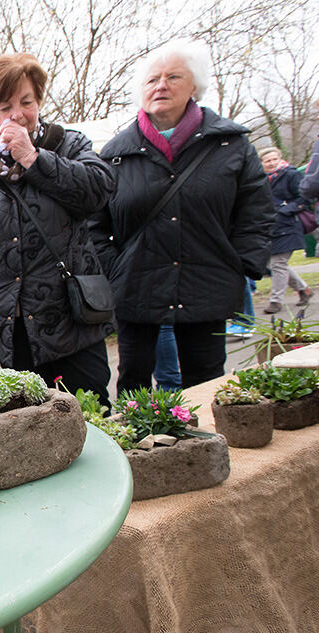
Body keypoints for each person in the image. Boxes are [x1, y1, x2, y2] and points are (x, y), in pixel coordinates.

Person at [90, 40, 272, 393]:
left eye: (173, 76)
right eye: (152, 79)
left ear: (194, 86)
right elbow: (93, 225)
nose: (161, 85)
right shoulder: (115, 155)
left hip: (207, 283)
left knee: (206, 385)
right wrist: (114, 268)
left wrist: (242, 264)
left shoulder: (230, 145)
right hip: (136, 288)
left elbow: (257, 210)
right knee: (135, 385)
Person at [0, 53, 115, 404]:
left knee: (89, 417)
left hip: (69, 322)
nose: (17, 114)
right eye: (5, 106)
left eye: (26, 102)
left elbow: (99, 190)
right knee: (19, 430)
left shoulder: (69, 145)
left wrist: (33, 158)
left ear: (39, 102)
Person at [258, 147, 312, 312]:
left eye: (275, 159)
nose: (272, 163)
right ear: (261, 163)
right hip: (269, 227)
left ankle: (276, 301)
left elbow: (305, 197)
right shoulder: (261, 179)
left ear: (280, 158)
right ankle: (304, 289)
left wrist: (285, 210)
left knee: (278, 263)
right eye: (268, 161)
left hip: (288, 225)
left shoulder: (291, 174)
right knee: (271, 263)